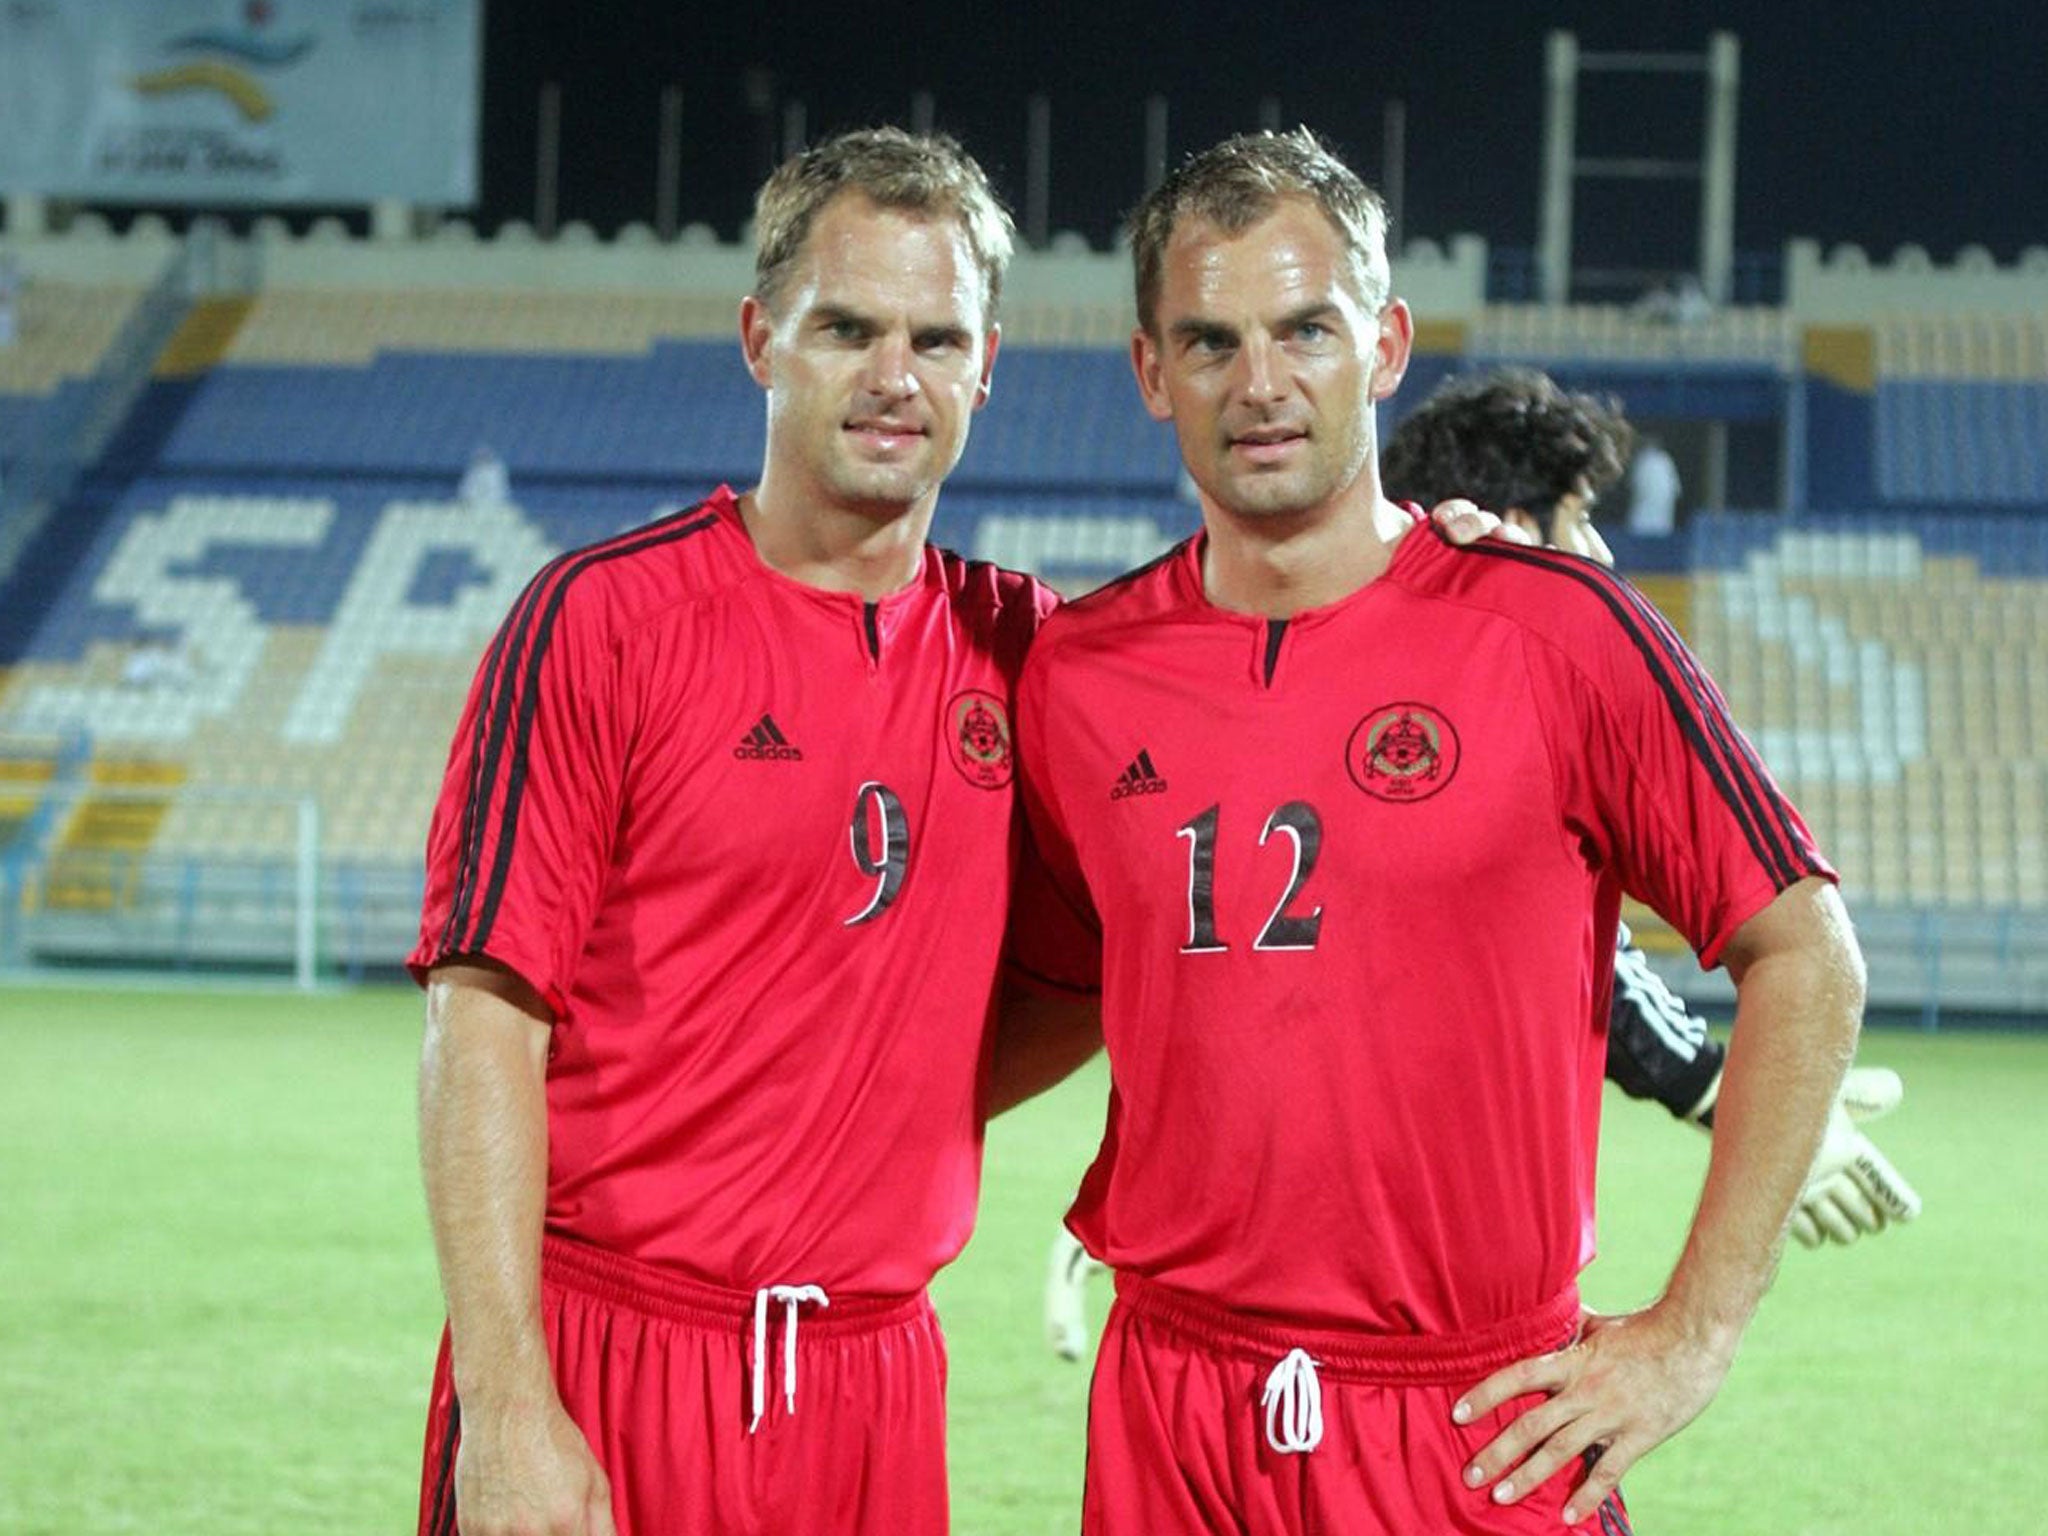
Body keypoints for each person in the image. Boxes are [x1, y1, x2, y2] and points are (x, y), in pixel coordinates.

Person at [1003, 131, 1866, 1535]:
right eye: (1210, 342)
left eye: (1307, 330)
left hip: (1472, 1428)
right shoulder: (1079, 674)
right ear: (1151, 370)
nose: (1262, 384)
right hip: (1169, 1413)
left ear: (1388, 342)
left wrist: (1696, 1331)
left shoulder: (1557, 631)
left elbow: (1805, 952)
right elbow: (1051, 992)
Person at [408, 127, 1052, 1536]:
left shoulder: (1037, 659)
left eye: (938, 339)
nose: (897, 378)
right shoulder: (601, 622)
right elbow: (482, 1025)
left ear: (988, 365)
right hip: (606, 1354)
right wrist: (510, 1402)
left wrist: (1467, 564)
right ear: (762, 338)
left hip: (874, 1383)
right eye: (849, 329)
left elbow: (1123, 949)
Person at [1042, 369, 1919, 1360]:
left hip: (1378, 1346)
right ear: (1512, 515)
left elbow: (1562, 948)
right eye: (1580, 516)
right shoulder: (1465, 654)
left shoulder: (1495, 651)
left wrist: (1715, 1086)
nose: (1595, 546)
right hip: (1295, 1344)